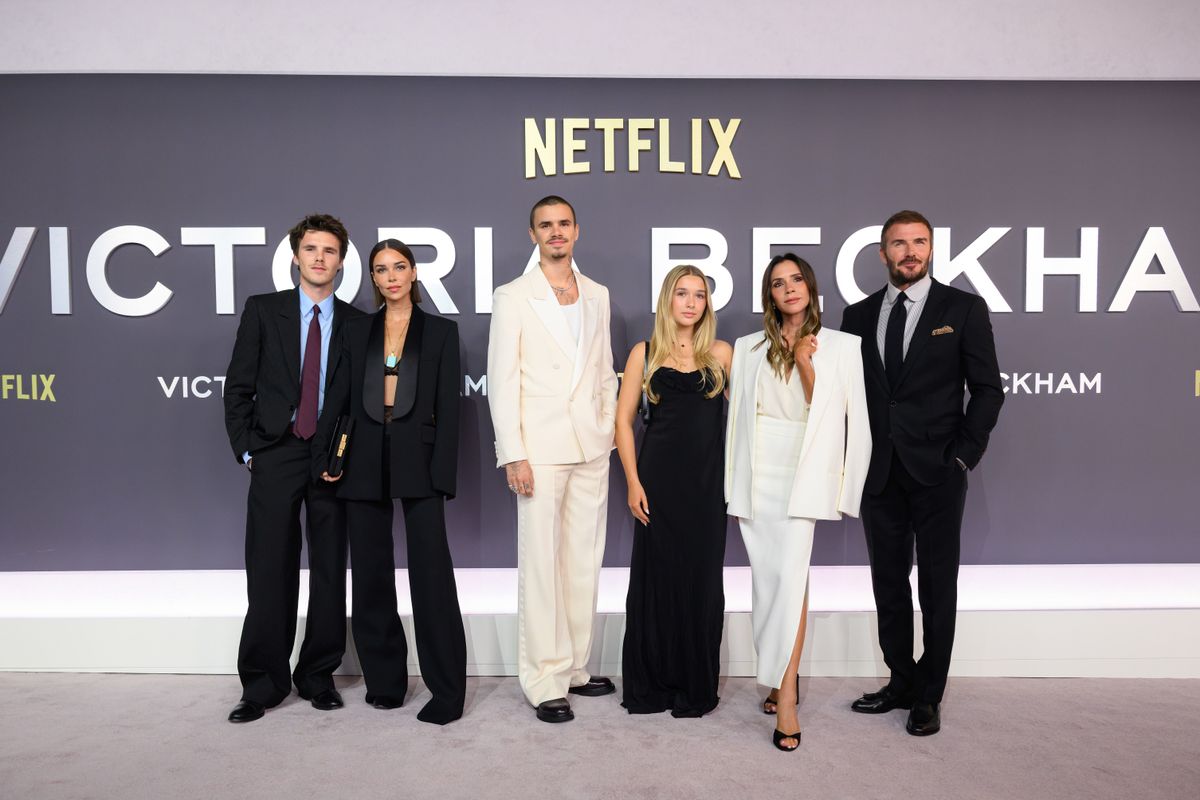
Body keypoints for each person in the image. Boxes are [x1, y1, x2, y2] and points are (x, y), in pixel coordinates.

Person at [840, 210, 1003, 737]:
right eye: (898, 243)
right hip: (880, 473)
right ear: (882, 253)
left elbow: (988, 389)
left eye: (918, 242)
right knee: (888, 584)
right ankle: (900, 681)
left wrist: (963, 456)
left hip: (938, 472)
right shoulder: (857, 315)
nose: (909, 251)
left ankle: (929, 695)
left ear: (930, 249)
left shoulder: (962, 308)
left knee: (936, 587)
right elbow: (850, 395)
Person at [316, 239, 467, 725]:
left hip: (419, 458)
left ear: (414, 273)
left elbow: (449, 410)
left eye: (399, 267)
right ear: (374, 280)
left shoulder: (441, 331)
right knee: (371, 574)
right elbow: (337, 398)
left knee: (431, 576)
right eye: (381, 270)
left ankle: (447, 691)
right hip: (362, 455)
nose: (391, 277)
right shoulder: (357, 329)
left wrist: (443, 475)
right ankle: (385, 683)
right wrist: (327, 455)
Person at [725, 254, 871, 751]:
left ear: (810, 287)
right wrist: (732, 486)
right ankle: (776, 676)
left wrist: (806, 362)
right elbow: (737, 424)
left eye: (795, 280)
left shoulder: (843, 347)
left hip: (802, 473)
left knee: (790, 578)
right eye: (777, 283)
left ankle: (786, 695)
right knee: (770, 583)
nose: (788, 289)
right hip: (757, 474)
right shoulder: (748, 347)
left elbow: (850, 421)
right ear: (769, 294)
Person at [223, 213, 364, 723]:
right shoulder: (264, 311)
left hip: (331, 459)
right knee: (268, 569)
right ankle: (261, 684)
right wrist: (249, 450)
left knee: (329, 570)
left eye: (329, 251)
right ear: (296, 256)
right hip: (276, 452)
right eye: (311, 249)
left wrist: (343, 454)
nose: (320, 258)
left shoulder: (357, 323)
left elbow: (358, 402)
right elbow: (238, 387)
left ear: (341, 261)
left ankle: (318, 675)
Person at [486, 195, 619, 723]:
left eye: (564, 223)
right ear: (533, 234)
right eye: (546, 225)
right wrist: (513, 453)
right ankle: (544, 679)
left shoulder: (598, 294)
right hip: (538, 450)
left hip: (591, 446)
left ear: (577, 230)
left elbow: (604, 369)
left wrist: (606, 429)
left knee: (583, 560)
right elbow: (502, 379)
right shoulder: (513, 295)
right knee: (542, 564)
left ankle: (575, 667)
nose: (556, 232)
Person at [615, 264, 732, 718]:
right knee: (657, 581)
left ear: (707, 304)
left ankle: (694, 683)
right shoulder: (643, 353)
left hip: (707, 487)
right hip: (657, 484)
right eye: (682, 293)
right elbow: (623, 422)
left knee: (702, 582)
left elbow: (748, 417)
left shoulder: (721, 354)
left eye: (699, 295)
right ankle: (653, 684)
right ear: (667, 299)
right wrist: (633, 482)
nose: (690, 302)